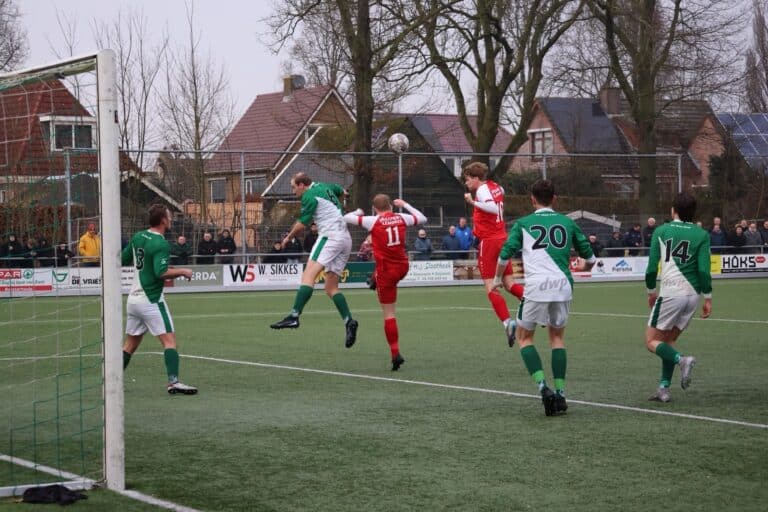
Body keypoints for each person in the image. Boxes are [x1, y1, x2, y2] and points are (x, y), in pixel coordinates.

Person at [493, 179, 595, 416]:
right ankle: (560, 393)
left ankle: (543, 388)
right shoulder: (567, 222)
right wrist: (582, 266)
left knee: (524, 338)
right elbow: (590, 258)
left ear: (532, 199)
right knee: (557, 338)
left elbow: (505, 254)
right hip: (562, 286)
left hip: (537, 286)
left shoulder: (524, 223)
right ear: (554, 198)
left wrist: (498, 278)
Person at [270, 173, 358, 348]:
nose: (293, 191)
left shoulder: (309, 195)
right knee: (331, 288)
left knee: (308, 276)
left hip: (330, 237)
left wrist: (288, 238)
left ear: (302, 185)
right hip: (345, 239)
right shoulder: (324, 186)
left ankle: (294, 316)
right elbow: (341, 190)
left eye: (294, 187)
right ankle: (349, 320)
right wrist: (343, 198)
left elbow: (302, 223)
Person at [344, 195, 427, 370]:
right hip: (403, 267)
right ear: (390, 205)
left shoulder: (373, 221)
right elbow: (422, 218)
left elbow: (346, 218)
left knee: (389, 313)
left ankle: (395, 353)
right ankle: (374, 278)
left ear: (375, 209)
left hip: (387, 272)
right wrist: (405, 204)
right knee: (382, 270)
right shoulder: (401, 217)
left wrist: (358, 211)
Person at [121, 204, 197, 395]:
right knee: (170, 341)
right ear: (163, 220)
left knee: (130, 345)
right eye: (169, 216)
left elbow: (123, 259)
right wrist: (183, 271)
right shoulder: (161, 243)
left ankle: (111, 379)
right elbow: (160, 272)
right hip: (151, 299)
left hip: (133, 300)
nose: (171, 219)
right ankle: (174, 382)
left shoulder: (138, 236)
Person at [644, 193, 710, 403]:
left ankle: (682, 360)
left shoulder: (661, 231)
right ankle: (663, 389)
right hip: (692, 295)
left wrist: (651, 292)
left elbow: (651, 268)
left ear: (674, 210)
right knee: (668, 341)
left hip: (672, 293)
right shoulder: (701, 234)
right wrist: (708, 297)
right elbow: (704, 270)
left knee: (651, 341)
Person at [463, 161, 524, 347]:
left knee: (491, 287)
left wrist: (473, 202)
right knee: (509, 284)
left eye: (468, 179)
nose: (466, 183)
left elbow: (493, 208)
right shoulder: (496, 187)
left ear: (476, 178)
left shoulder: (481, 190)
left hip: (489, 242)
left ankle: (507, 323)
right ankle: (534, 304)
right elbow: (500, 196)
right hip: (502, 238)